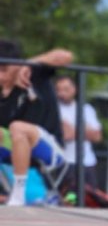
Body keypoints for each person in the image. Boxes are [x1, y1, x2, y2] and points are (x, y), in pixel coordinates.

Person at [0, 39, 72, 207]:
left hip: (49, 149)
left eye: (4, 70)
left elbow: (66, 56)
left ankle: (18, 195)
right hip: (16, 152)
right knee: (12, 130)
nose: (1, 76)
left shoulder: (34, 73)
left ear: (16, 65)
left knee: (17, 127)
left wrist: (29, 64)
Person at [55, 74, 104, 191]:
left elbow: (97, 136)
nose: (62, 93)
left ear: (74, 89)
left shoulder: (86, 109)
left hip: (88, 163)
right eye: (58, 90)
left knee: (90, 198)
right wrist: (85, 130)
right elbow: (66, 135)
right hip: (66, 163)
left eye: (65, 89)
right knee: (68, 199)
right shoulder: (55, 109)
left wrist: (73, 130)